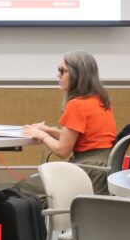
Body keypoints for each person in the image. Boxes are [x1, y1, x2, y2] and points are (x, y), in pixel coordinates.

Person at [15, 50, 117, 199]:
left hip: (87, 170)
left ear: (77, 75)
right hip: (103, 169)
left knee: (19, 189)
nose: (58, 75)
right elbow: (82, 136)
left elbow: (62, 150)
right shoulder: (99, 99)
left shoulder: (76, 105)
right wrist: (48, 130)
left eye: (62, 71)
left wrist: (41, 135)